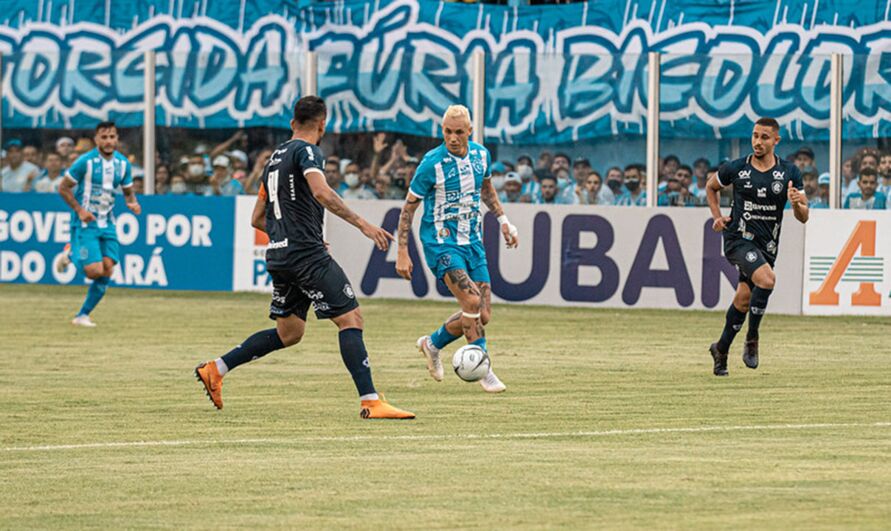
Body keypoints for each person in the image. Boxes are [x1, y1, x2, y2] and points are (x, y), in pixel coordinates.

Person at [194, 96, 414, 419]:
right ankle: (370, 401)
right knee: (351, 319)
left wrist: (291, 235)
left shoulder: (273, 159)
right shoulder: (308, 151)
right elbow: (322, 192)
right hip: (305, 255)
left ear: (291, 122)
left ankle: (217, 368)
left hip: (280, 254)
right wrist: (364, 225)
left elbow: (257, 218)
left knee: (289, 333)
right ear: (322, 124)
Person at [394, 104, 517, 393]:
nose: (452, 138)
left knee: (482, 314)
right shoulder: (431, 164)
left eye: (459, 132)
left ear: (470, 131)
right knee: (472, 302)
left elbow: (486, 189)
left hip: (473, 241)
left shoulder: (480, 155)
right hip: (441, 243)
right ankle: (484, 368)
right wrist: (402, 250)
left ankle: (432, 343)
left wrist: (503, 221)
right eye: (447, 131)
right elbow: (408, 210)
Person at [705, 117, 808, 376]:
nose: (758, 142)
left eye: (764, 137)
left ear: (776, 140)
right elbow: (711, 186)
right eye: (754, 136)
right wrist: (717, 216)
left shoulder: (789, 173)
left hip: (767, 245)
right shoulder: (737, 169)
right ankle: (752, 338)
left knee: (743, 300)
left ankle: (721, 348)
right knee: (767, 279)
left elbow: (804, 215)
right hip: (738, 239)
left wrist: (796, 203)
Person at [57, 121, 142, 327]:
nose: (108, 141)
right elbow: (63, 188)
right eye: (104, 137)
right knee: (93, 271)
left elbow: (128, 189)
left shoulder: (123, 164)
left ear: (117, 139)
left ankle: (82, 315)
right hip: (86, 223)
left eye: (112, 137)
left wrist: (132, 202)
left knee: (107, 270)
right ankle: (70, 253)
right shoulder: (84, 162)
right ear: (96, 139)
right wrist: (80, 210)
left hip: (108, 222)